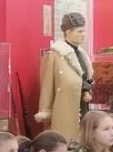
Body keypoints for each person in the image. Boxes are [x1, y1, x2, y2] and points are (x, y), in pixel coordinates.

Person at [36, 12, 94, 140]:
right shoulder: (54, 56)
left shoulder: (83, 55)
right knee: (65, 140)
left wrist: (87, 87)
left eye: (84, 31)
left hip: (83, 104)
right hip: (64, 107)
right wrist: (45, 110)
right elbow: (47, 87)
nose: (83, 34)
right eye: (79, 31)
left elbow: (89, 77)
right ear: (68, 32)